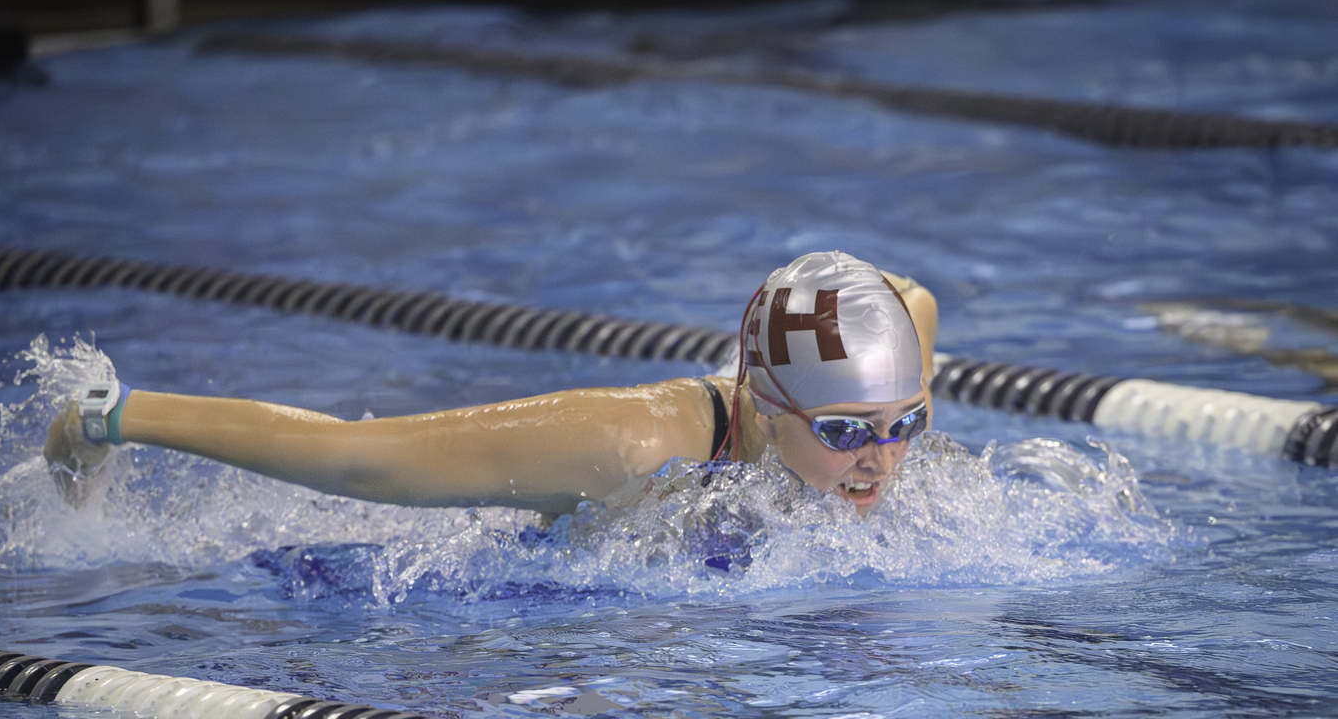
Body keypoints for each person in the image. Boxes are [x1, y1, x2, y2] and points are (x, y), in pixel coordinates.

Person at [45, 251, 939, 518]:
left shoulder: (877, 382)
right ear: (768, 406)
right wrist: (118, 416)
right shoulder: (626, 445)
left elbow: (915, 303)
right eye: (849, 433)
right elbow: (356, 459)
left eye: (908, 424)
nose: (884, 462)